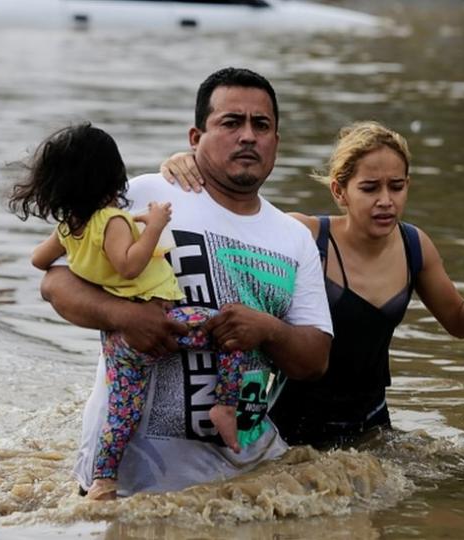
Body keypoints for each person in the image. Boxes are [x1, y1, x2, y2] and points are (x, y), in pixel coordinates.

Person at [161, 120, 464, 449]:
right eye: (370, 188)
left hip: (371, 426)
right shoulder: (303, 235)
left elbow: (459, 321)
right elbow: (231, 226)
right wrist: (185, 166)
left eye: (397, 187)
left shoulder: (414, 245)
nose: (386, 200)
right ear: (339, 191)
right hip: (292, 428)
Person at [38, 68, 333, 497]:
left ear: (276, 143)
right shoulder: (143, 195)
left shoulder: (293, 238)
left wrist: (267, 329)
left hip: (243, 483)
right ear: (195, 138)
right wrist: (125, 316)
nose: (248, 136)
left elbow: (315, 360)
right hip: (127, 483)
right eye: (231, 123)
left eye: (261, 125)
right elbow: (54, 283)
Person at [8, 123, 250, 499]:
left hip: (117, 339)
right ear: (112, 175)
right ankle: (225, 408)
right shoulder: (112, 220)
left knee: (122, 413)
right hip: (161, 319)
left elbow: (39, 259)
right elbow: (130, 264)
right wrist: (154, 225)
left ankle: (104, 480)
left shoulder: (69, 227)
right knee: (231, 330)